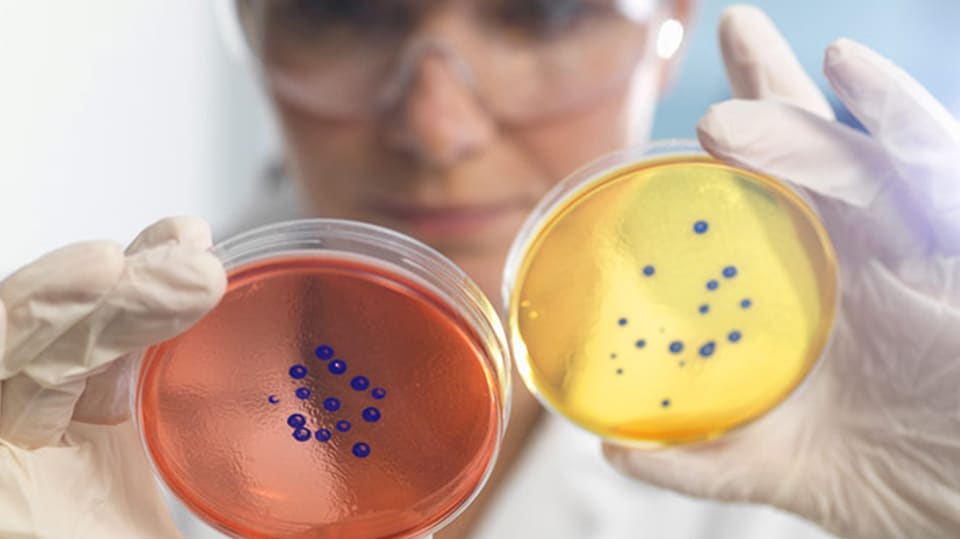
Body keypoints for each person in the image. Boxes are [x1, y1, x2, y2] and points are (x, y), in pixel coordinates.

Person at [1, 2, 958, 538]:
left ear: (669, 25)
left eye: (540, 14)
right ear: (249, 23)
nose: (436, 127)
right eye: (343, 9)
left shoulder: (821, 463)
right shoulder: (55, 439)